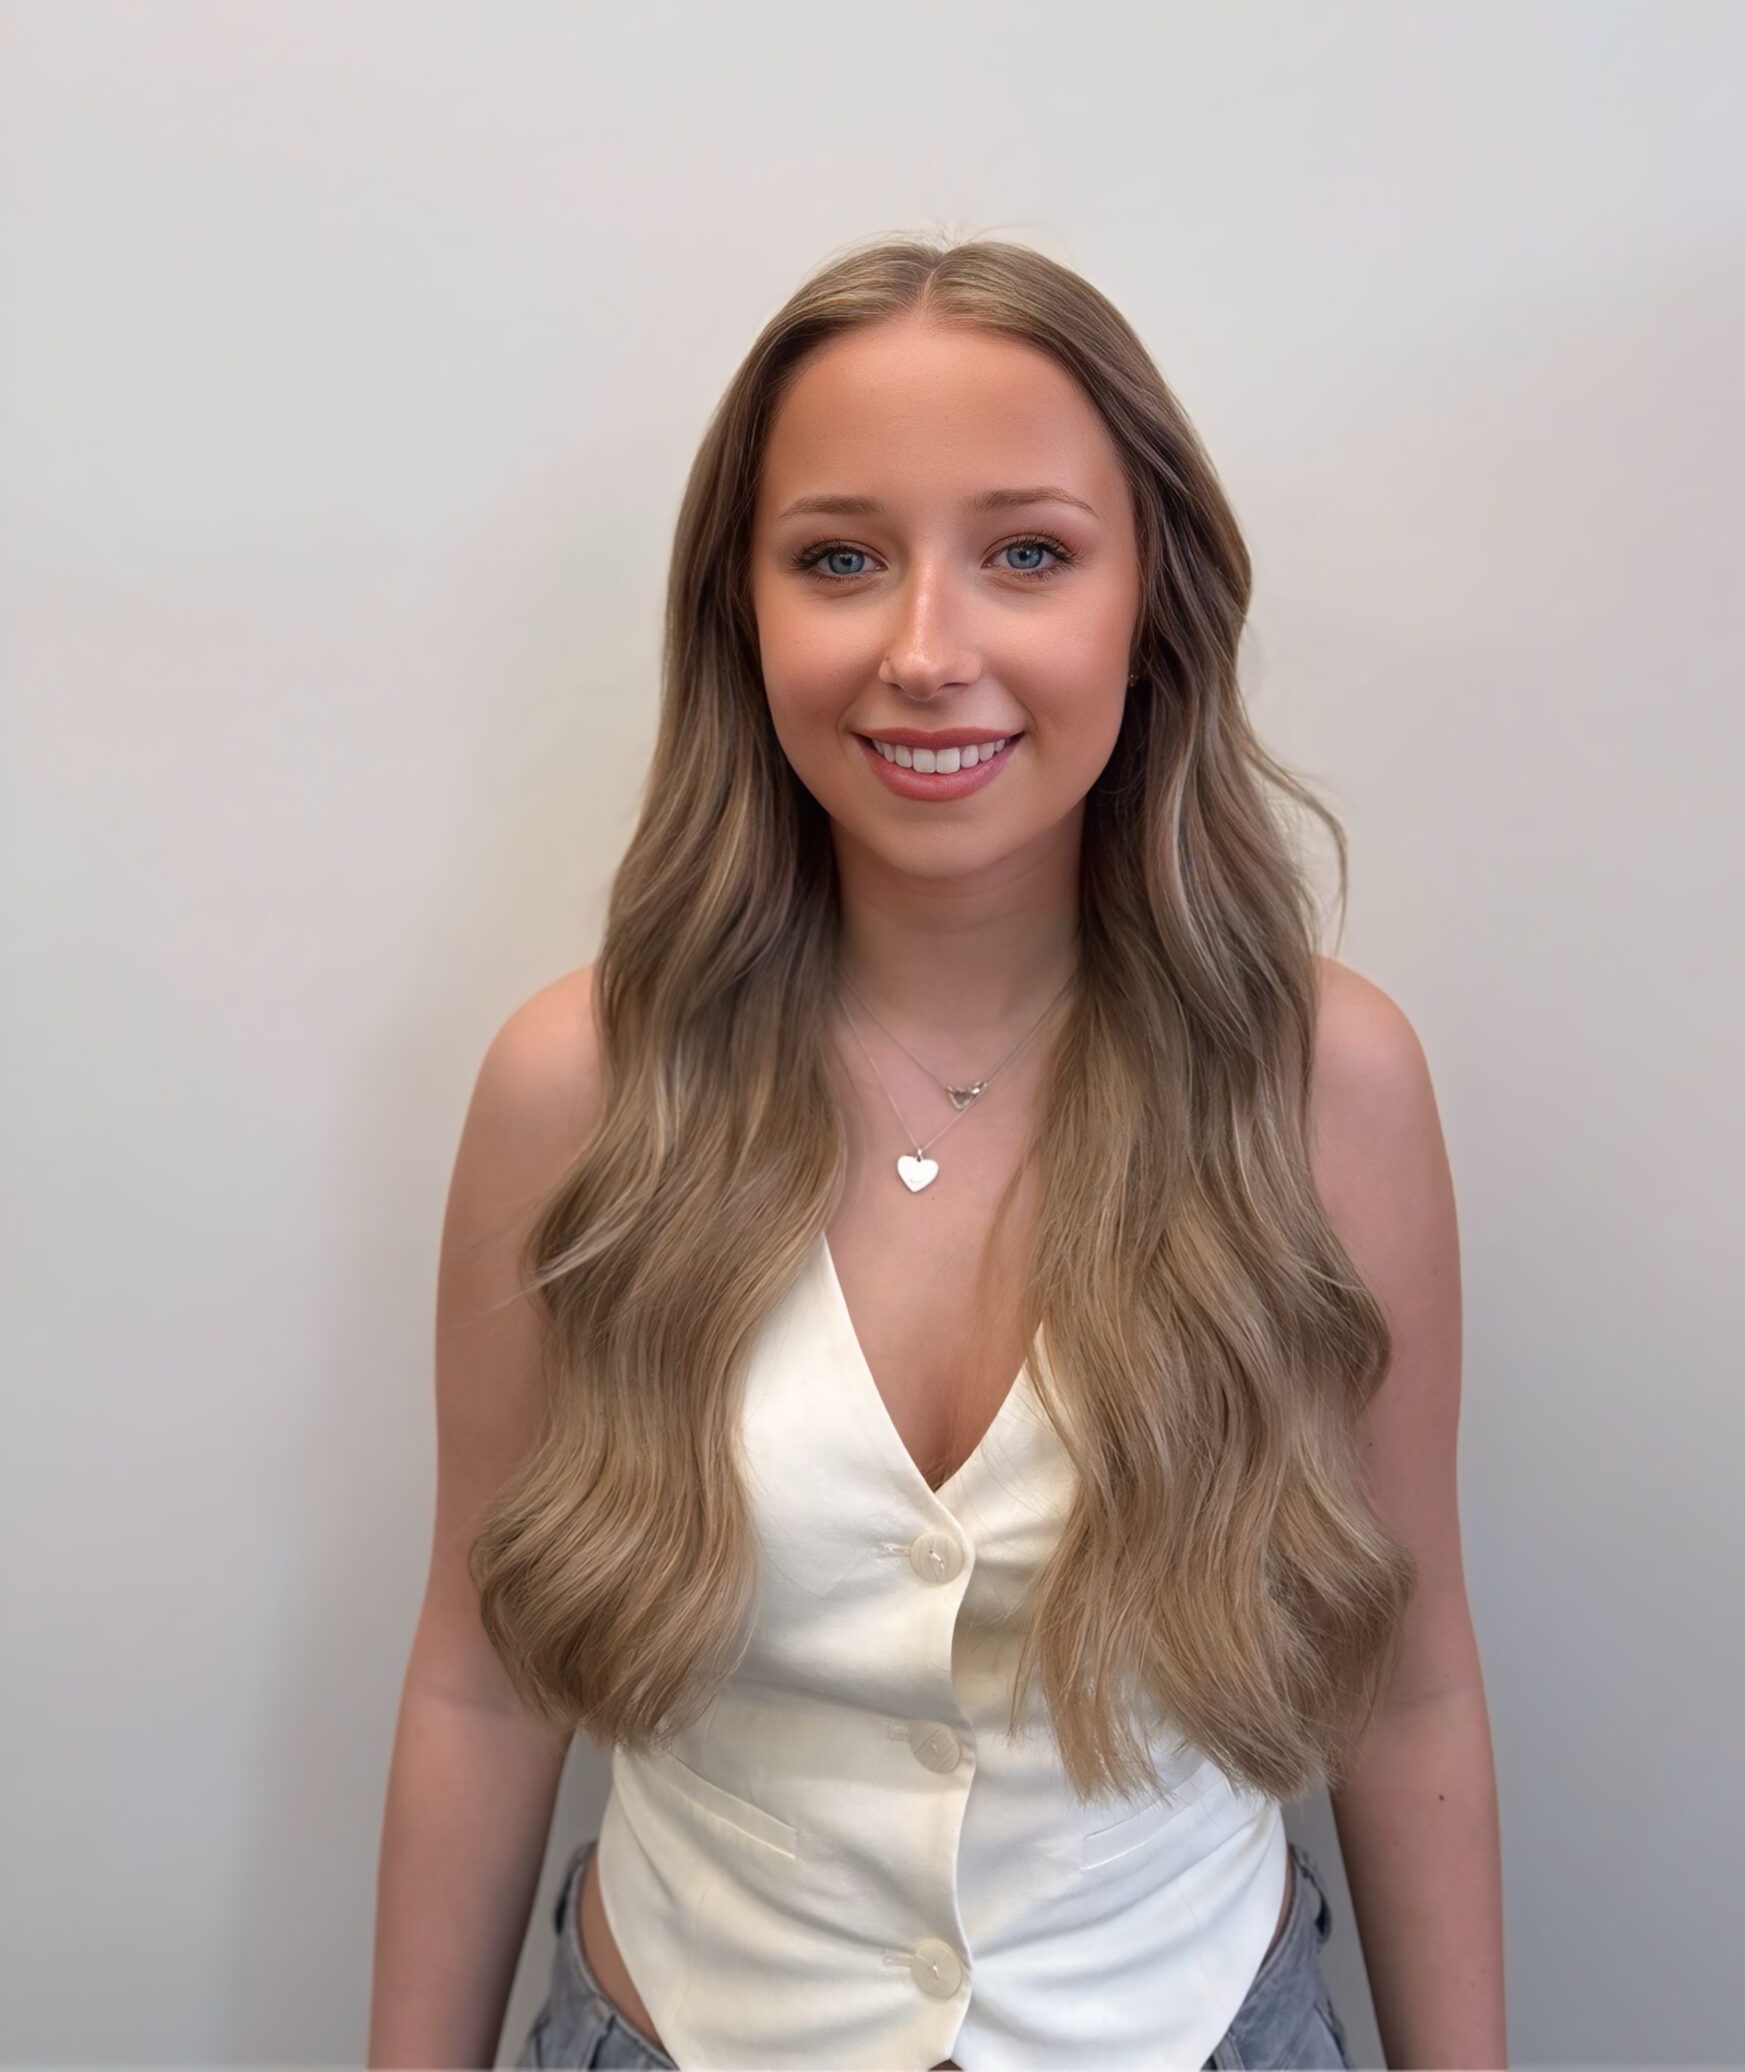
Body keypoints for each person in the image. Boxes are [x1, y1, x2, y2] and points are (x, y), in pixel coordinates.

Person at [366, 235, 1507, 2070]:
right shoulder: (575, 1091)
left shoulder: (1324, 1088)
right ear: (741, 614)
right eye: (840, 559)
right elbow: (482, 1682)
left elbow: (1410, 1682)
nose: (925, 653)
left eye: (1028, 554)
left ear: (1152, 601)